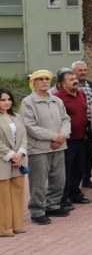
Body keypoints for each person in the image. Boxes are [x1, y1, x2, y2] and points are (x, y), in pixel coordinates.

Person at [23, 70, 71, 224]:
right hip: (39, 149)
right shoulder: (28, 102)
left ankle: (53, 205)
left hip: (59, 146)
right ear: (33, 82)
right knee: (39, 182)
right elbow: (30, 126)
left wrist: (62, 135)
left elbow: (66, 120)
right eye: (40, 79)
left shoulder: (57, 101)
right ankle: (37, 211)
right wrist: (54, 136)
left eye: (47, 79)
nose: (44, 81)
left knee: (59, 179)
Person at [54, 69, 90, 207]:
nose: (75, 81)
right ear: (63, 84)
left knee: (79, 168)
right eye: (71, 79)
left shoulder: (81, 94)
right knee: (66, 170)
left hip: (82, 138)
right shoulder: (58, 98)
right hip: (67, 141)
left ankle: (75, 193)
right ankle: (64, 197)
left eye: (75, 78)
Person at [0, 88, 28, 235]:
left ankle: (18, 224)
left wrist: (20, 153)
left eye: (9, 99)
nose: (7, 102)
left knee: (18, 191)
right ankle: (4, 228)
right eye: (3, 100)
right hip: (3, 160)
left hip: (19, 159)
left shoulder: (17, 116)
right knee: (3, 195)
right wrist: (11, 155)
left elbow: (24, 137)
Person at [72, 60, 92, 189]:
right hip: (76, 127)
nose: (83, 73)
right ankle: (74, 183)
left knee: (90, 153)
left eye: (84, 70)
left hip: (91, 125)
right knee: (77, 156)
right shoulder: (70, 86)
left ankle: (86, 179)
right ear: (74, 72)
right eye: (80, 70)